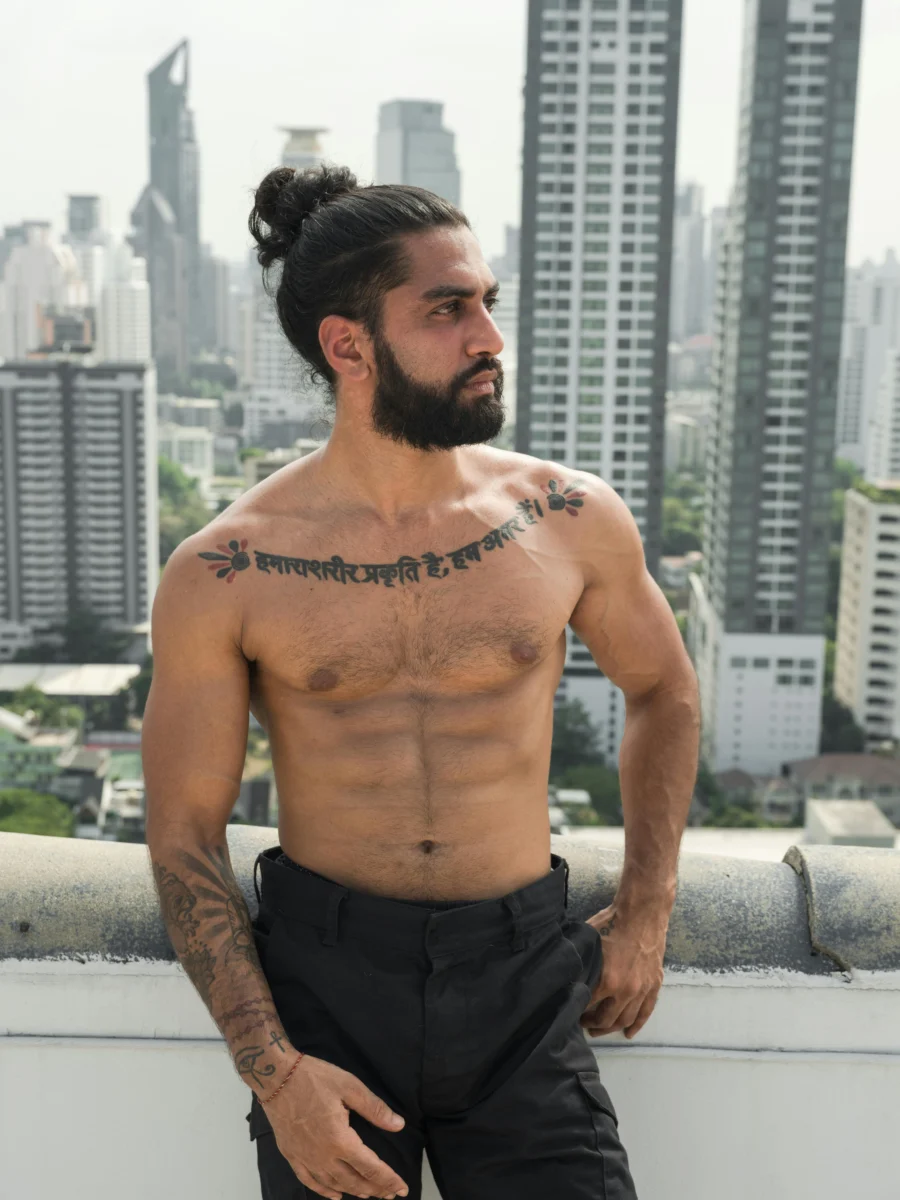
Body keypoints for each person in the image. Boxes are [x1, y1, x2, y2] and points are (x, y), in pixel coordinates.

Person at [143, 163, 700, 1200]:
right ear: (347, 345)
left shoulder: (568, 517)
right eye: (448, 310)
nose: (489, 336)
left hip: (527, 981)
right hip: (328, 992)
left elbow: (663, 691)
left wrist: (645, 909)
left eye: (488, 303)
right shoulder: (226, 568)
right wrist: (276, 1076)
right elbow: (182, 835)